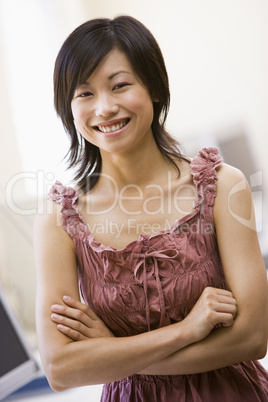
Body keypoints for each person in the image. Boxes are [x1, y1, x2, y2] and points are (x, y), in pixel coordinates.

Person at [34, 15, 268, 401]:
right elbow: (61, 369)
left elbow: (253, 338)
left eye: (120, 86)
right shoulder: (58, 220)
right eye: (85, 93)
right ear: (69, 108)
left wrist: (110, 352)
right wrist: (186, 331)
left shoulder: (223, 186)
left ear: (154, 88)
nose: (105, 108)